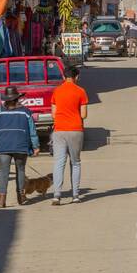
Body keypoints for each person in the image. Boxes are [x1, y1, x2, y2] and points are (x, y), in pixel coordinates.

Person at [0, 85, 39, 208]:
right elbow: (32, 131)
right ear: (17, 98)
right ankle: (21, 197)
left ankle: (1, 199)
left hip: (3, 146)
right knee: (20, 170)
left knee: (3, 172)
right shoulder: (25, 112)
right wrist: (36, 146)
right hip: (21, 145)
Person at [50, 63, 89, 205]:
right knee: (76, 162)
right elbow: (83, 115)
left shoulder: (56, 91)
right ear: (76, 77)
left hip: (59, 130)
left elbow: (54, 114)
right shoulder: (81, 91)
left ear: (63, 76)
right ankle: (75, 195)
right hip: (75, 130)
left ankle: (57, 195)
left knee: (59, 163)